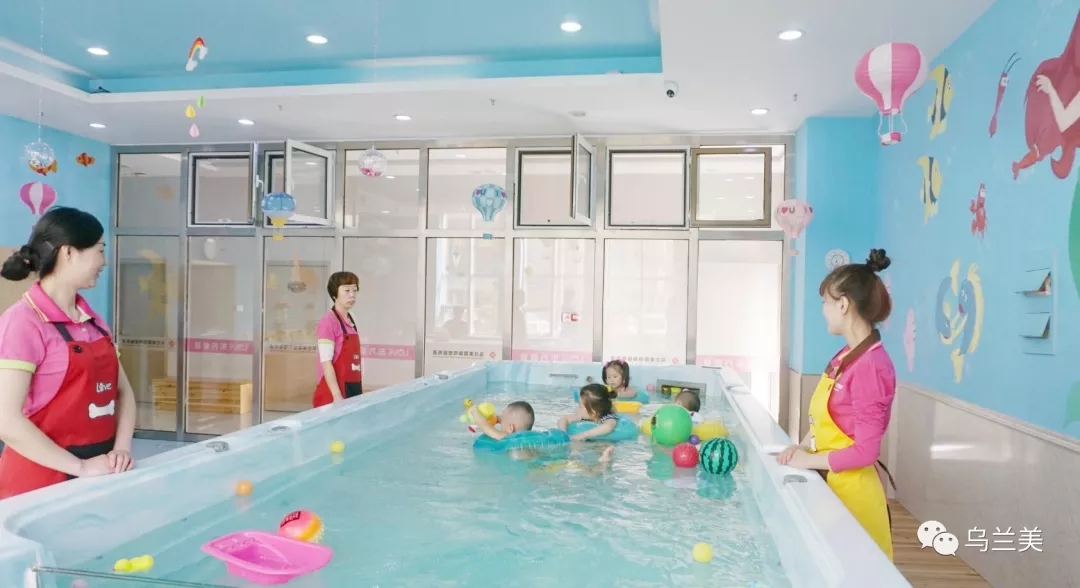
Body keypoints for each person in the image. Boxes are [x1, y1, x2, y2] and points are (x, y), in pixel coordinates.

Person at [0, 207, 137, 499]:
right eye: (100, 250)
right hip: (38, 485)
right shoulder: (22, 323)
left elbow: (123, 393)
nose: (104, 261)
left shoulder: (94, 322)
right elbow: (6, 420)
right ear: (69, 252)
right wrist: (80, 467)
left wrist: (122, 449)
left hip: (98, 473)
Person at [776, 248, 897, 561]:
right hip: (831, 488)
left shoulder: (871, 366)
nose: (823, 311)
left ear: (843, 304)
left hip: (853, 497)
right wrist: (802, 447)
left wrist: (808, 461)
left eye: (825, 303)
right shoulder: (845, 356)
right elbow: (825, 422)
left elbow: (866, 451)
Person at [313, 271, 362, 407]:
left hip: (353, 387)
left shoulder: (351, 319)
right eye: (347, 290)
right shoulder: (328, 322)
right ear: (335, 293)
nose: (352, 295)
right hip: (333, 393)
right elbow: (326, 362)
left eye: (354, 290)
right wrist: (336, 395)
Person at [468, 400, 535, 441]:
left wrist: (474, 411)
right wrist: (496, 419)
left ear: (510, 428)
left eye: (501, 421)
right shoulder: (526, 439)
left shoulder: (506, 437)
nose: (500, 421)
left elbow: (485, 427)